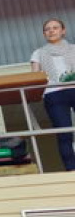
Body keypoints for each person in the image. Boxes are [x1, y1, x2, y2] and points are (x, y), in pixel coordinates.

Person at [30, 18, 75, 171]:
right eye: (47, 29)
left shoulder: (73, 48)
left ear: (63, 31)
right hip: (54, 93)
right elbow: (35, 77)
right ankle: (71, 169)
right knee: (63, 133)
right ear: (44, 34)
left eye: (55, 27)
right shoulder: (38, 53)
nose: (51, 31)